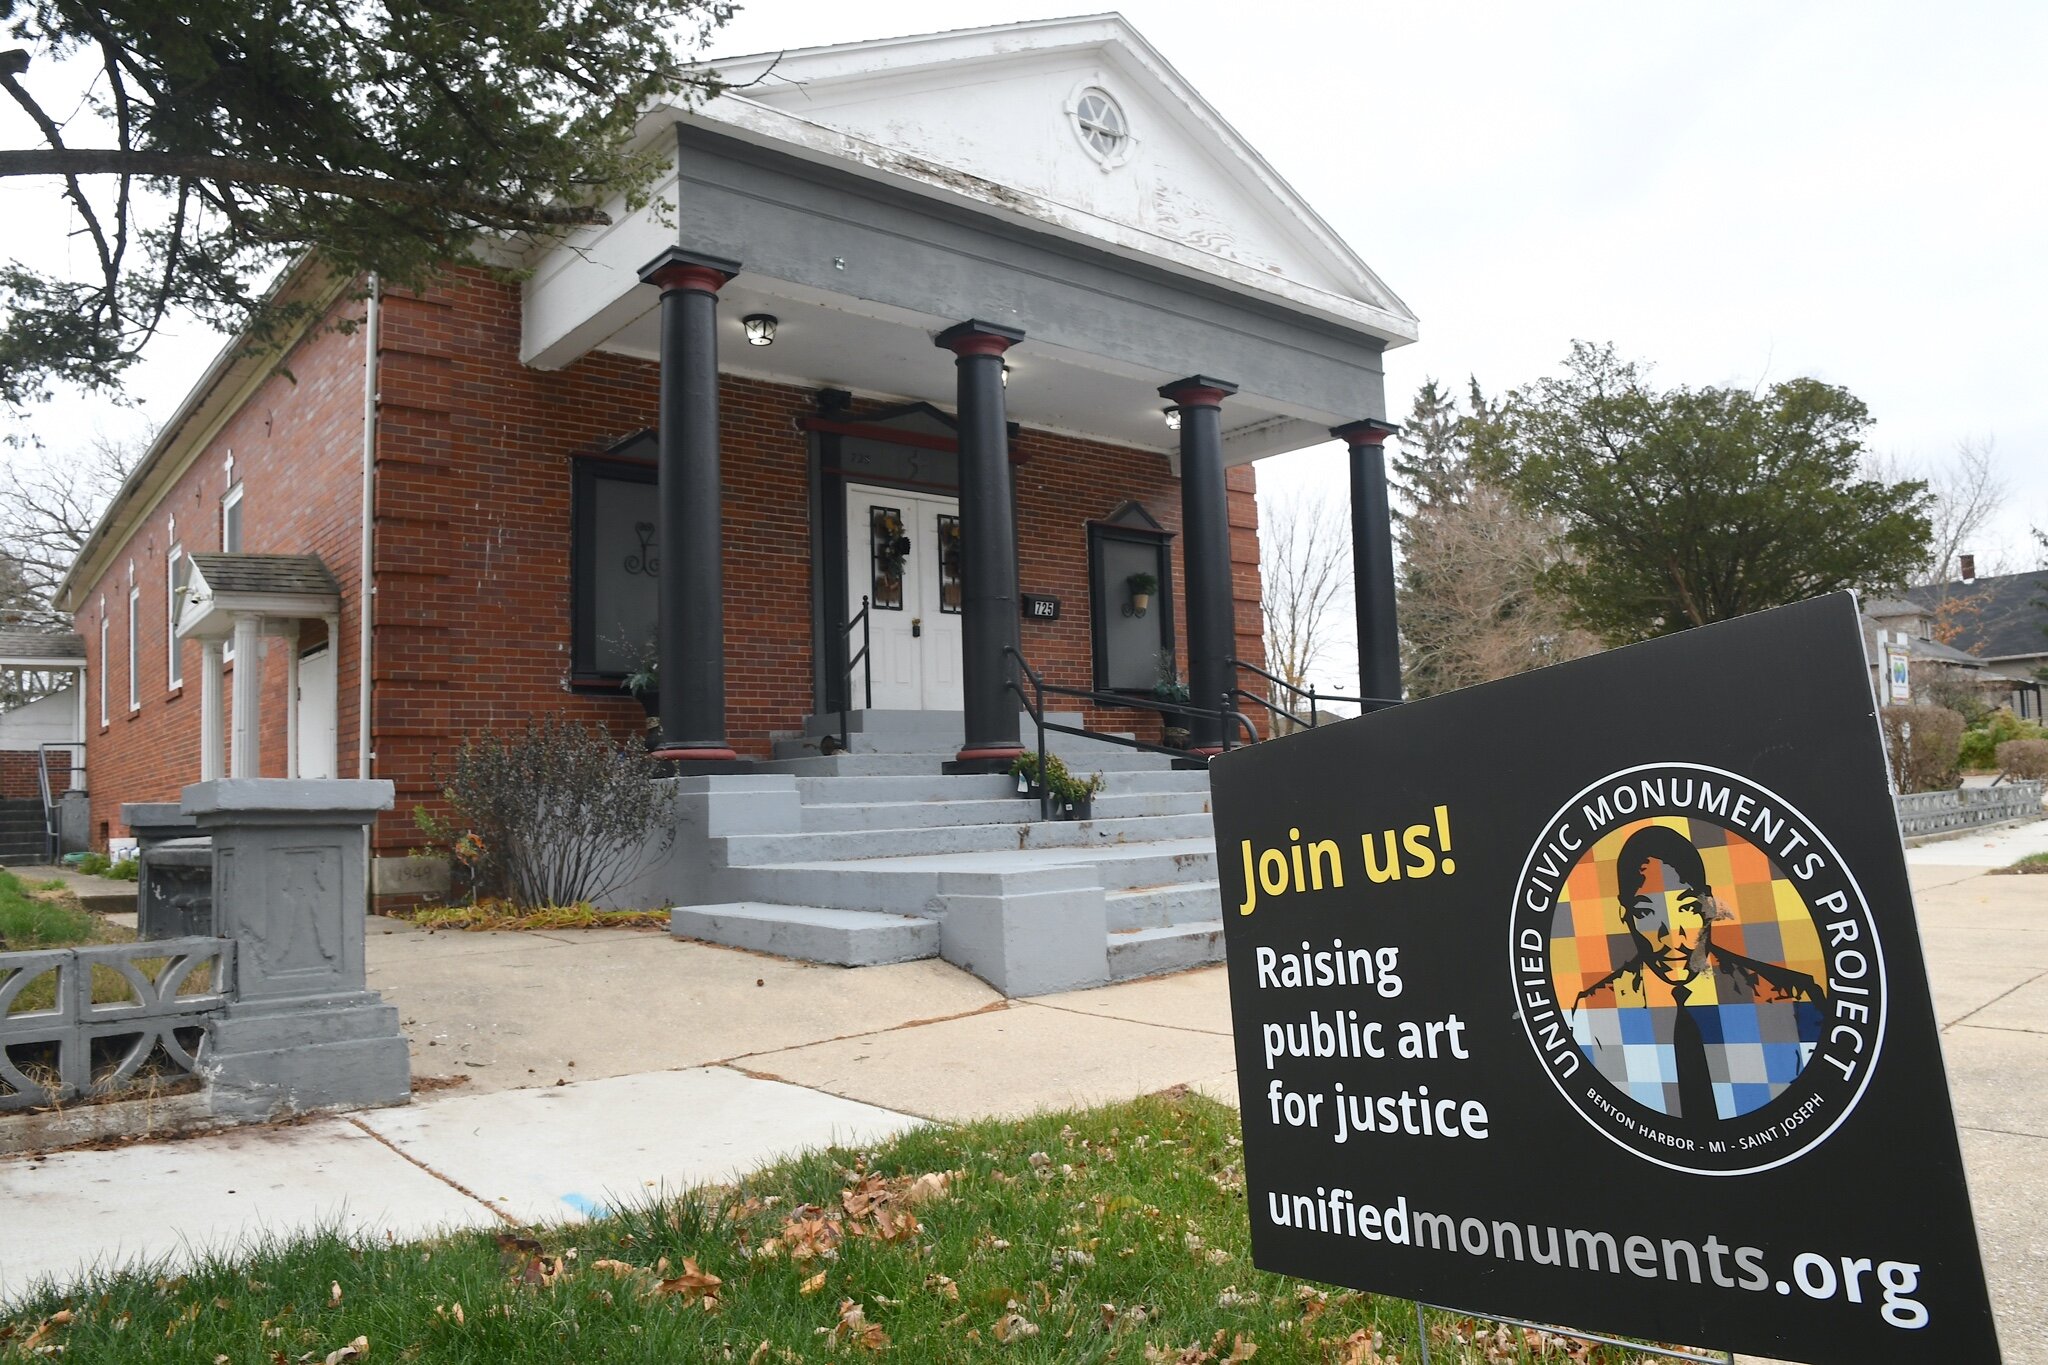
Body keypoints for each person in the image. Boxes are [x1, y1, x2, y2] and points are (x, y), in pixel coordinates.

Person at [1567, 824, 1825, 1122]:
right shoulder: (1593, 1011)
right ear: (1624, 915)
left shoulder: (1790, 998)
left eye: (1687, 909)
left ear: (1709, 905)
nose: (1671, 936)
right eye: (1646, 912)